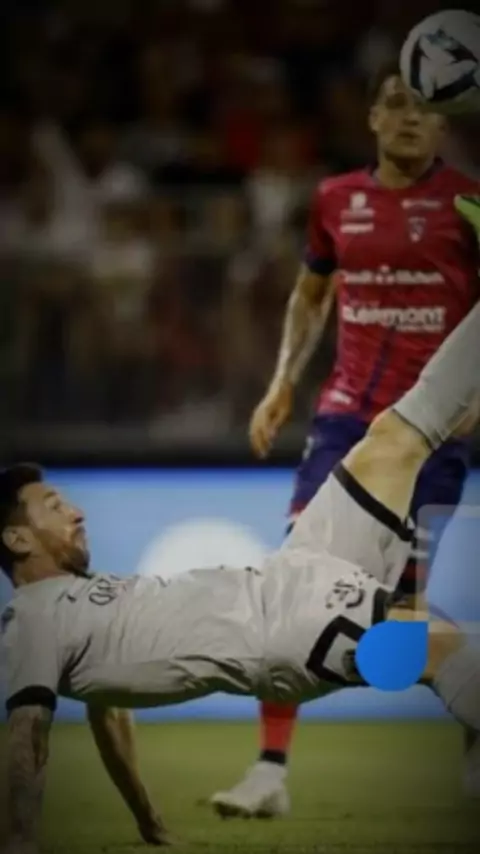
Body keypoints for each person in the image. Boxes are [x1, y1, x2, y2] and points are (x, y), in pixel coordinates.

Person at [2, 248, 480, 853]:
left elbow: (108, 711)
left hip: (290, 572)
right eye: (52, 506)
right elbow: (27, 731)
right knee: (435, 644)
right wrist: (19, 842)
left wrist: (149, 823)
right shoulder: (31, 621)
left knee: (395, 438)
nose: (76, 511)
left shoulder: (76, 610)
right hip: (282, 630)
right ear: (17, 539)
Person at [210, 62, 480, 818]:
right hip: (344, 422)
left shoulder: (470, 202)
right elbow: (310, 295)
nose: (409, 117)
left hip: (431, 436)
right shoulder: (334, 199)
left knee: (403, 611)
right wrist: (281, 382)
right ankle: (269, 772)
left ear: (445, 121)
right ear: (371, 118)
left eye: (425, 106)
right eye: (395, 103)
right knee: (294, 586)